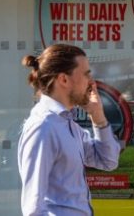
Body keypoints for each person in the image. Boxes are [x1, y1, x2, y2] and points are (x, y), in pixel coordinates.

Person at [17, 44, 120, 216]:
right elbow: (33, 208)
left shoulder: (66, 123)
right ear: (63, 79)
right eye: (86, 74)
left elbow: (107, 161)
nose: (91, 82)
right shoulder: (43, 127)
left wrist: (97, 116)